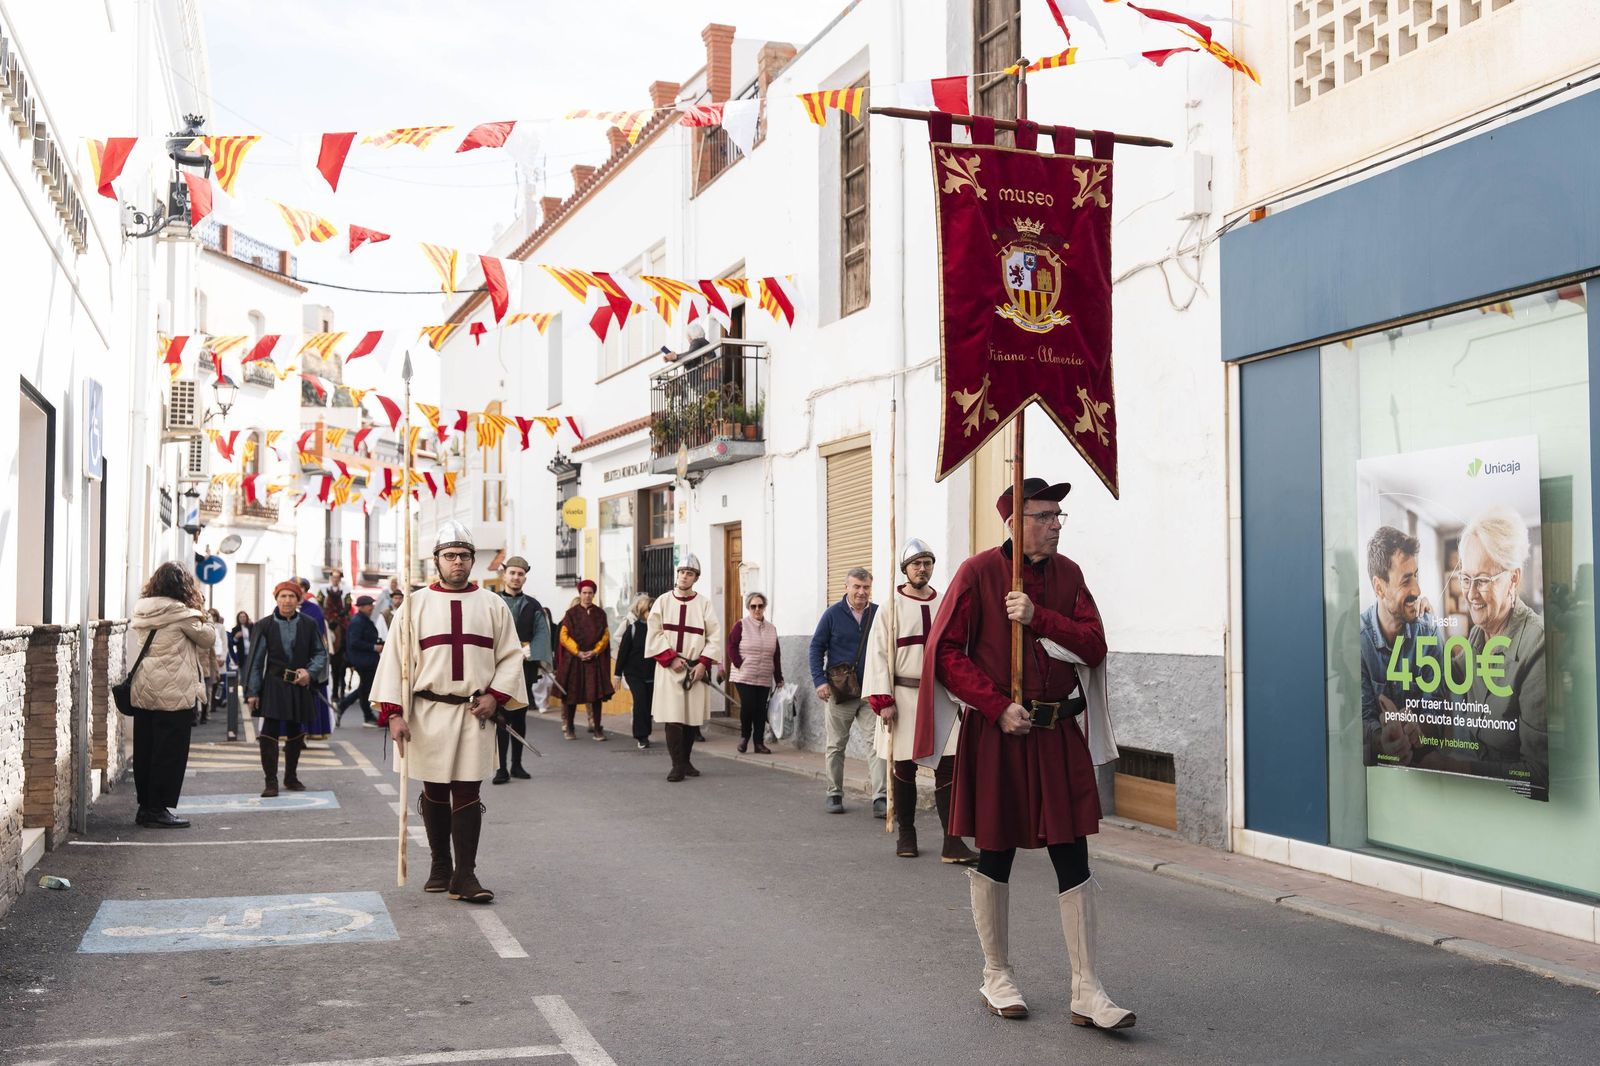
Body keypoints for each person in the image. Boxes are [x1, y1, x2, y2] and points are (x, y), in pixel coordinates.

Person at [921, 477, 1133, 1028]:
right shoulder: (978, 572)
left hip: (1057, 732)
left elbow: (1093, 643)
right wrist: (995, 705)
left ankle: (1087, 989)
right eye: (1044, 515)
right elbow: (946, 653)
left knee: (1073, 853)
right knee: (996, 850)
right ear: (1015, 522)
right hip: (1001, 734)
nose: (1057, 524)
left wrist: (1039, 616)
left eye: (1059, 515)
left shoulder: (1069, 576)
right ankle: (997, 975)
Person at [373, 521, 528, 903]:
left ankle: (465, 874)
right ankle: (440, 865)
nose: (457, 562)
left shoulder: (493, 605)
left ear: (473, 560)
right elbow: (396, 661)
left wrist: (496, 696)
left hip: (473, 711)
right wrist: (394, 712)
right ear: (437, 561)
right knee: (435, 788)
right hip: (427, 711)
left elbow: (510, 656)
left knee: (468, 789)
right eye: (450, 556)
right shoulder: (415, 605)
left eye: (464, 556)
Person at [1423, 506, 1549, 797]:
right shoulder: (1481, 632)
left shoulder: (1536, 644)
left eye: (1481, 581)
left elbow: (1539, 776)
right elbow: (1446, 673)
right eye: (1465, 579)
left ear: (1513, 579)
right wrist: (1423, 624)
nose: (1469, 594)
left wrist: (1460, 770)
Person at [864, 539, 977, 863]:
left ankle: (952, 842)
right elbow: (879, 654)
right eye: (916, 564)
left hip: (940, 696)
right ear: (905, 569)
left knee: (949, 766)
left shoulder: (944, 602)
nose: (922, 569)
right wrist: (883, 699)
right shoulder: (891, 606)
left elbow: (960, 647)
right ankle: (907, 835)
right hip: (904, 697)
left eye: (927, 563)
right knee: (904, 768)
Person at [126, 562, 213, 828]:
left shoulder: (143, 610)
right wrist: (202, 613)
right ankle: (158, 809)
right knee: (169, 753)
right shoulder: (183, 614)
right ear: (183, 586)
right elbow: (208, 638)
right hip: (174, 692)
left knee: (146, 750)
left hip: (144, 689)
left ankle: (145, 807)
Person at [1358, 526, 1444, 765]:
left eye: (1416, 575)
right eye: (1406, 579)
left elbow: (1438, 709)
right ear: (1379, 587)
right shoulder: (1358, 640)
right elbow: (1362, 720)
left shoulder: (1428, 629)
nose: (1417, 590)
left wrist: (1418, 730)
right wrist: (1383, 740)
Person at [809, 567, 886, 816]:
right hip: (840, 692)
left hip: (871, 692)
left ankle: (880, 797)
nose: (861, 592)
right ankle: (834, 793)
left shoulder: (878, 613)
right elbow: (816, 648)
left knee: (876, 746)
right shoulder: (832, 614)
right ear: (846, 587)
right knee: (836, 745)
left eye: (866, 588)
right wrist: (820, 681)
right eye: (856, 587)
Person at [245, 581, 329, 798]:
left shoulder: (309, 624)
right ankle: (270, 782)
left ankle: (290, 777)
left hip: (298, 685)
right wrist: (253, 692)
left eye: (292, 596)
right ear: (276, 598)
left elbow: (321, 653)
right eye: (283, 596)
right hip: (273, 685)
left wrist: (309, 672)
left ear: (298, 599)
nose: (287, 600)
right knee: (269, 733)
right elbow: (255, 661)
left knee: (296, 731)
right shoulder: (264, 625)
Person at [644, 555, 723, 782]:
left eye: (689, 574)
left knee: (691, 717)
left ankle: (686, 761)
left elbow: (714, 636)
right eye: (681, 572)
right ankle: (676, 765)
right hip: (670, 668)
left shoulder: (704, 603)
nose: (684, 577)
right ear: (677, 574)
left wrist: (703, 664)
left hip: (695, 668)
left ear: (695, 578)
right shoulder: (662, 601)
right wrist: (670, 658)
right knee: (674, 716)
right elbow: (654, 632)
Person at [495, 556, 550, 781]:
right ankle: (501, 768)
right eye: (512, 573)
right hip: (496, 668)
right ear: (504, 574)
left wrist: (532, 652)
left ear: (524, 578)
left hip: (523, 668)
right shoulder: (492, 601)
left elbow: (541, 632)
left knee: (519, 716)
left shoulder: (533, 605)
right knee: (501, 718)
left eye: (520, 574)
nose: (516, 577)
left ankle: (516, 764)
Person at [557, 579, 614, 741]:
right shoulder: (571, 613)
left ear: (594, 594)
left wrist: (595, 651)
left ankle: (597, 728)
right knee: (571, 696)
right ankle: (570, 727)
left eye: (590, 593)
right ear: (580, 594)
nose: (587, 596)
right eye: (584, 593)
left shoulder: (600, 613)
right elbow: (564, 636)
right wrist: (578, 652)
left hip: (593, 660)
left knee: (595, 696)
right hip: (574, 660)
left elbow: (605, 635)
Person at [728, 590, 782, 754]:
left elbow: (776, 655)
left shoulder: (771, 629)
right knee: (749, 705)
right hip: (744, 674)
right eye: (753, 606)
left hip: (764, 675)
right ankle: (745, 737)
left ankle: (759, 743)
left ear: (764, 607)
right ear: (748, 608)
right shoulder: (741, 625)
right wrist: (739, 663)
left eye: (760, 606)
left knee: (760, 709)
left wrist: (778, 677)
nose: (757, 609)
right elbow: (732, 645)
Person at [613, 594, 657, 749]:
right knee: (640, 702)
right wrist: (617, 675)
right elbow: (623, 653)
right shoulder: (633, 629)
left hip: (652, 673)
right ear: (643, 611)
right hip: (634, 673)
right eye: (649, 610)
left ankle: (646, 732)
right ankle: (641, 736)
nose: (651, 613)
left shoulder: (658, 630)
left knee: (649, 705)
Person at [296, 578, 334, 738]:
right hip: (286, 661)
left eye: (301, 589)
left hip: (309, 660)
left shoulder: (314, 610)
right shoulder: (282, 608)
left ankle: (306, 732)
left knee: (309, 698)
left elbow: (318, 637)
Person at [338, 596, 384, 727]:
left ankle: (365, 715)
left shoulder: (364, 620)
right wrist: (374, 647)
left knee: (365, 688)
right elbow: (355, 642)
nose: (372, 607)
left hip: (367, 660)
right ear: (361, 607)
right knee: (366, 689)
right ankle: (364, 715)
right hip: (364, 661)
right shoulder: (358, 621)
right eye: (369, 605)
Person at [323, 569, 352, 703]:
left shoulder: (345, 590)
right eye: (333, 577)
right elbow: (320, 604)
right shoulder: (323, 590)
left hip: (340, 621)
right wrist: (328, 619)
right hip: (327, 621)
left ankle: (347, 653)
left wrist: (339, 617)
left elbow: (347, 605)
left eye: (337, 577)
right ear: (330, 578)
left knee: (348, 632)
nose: (335, 579)